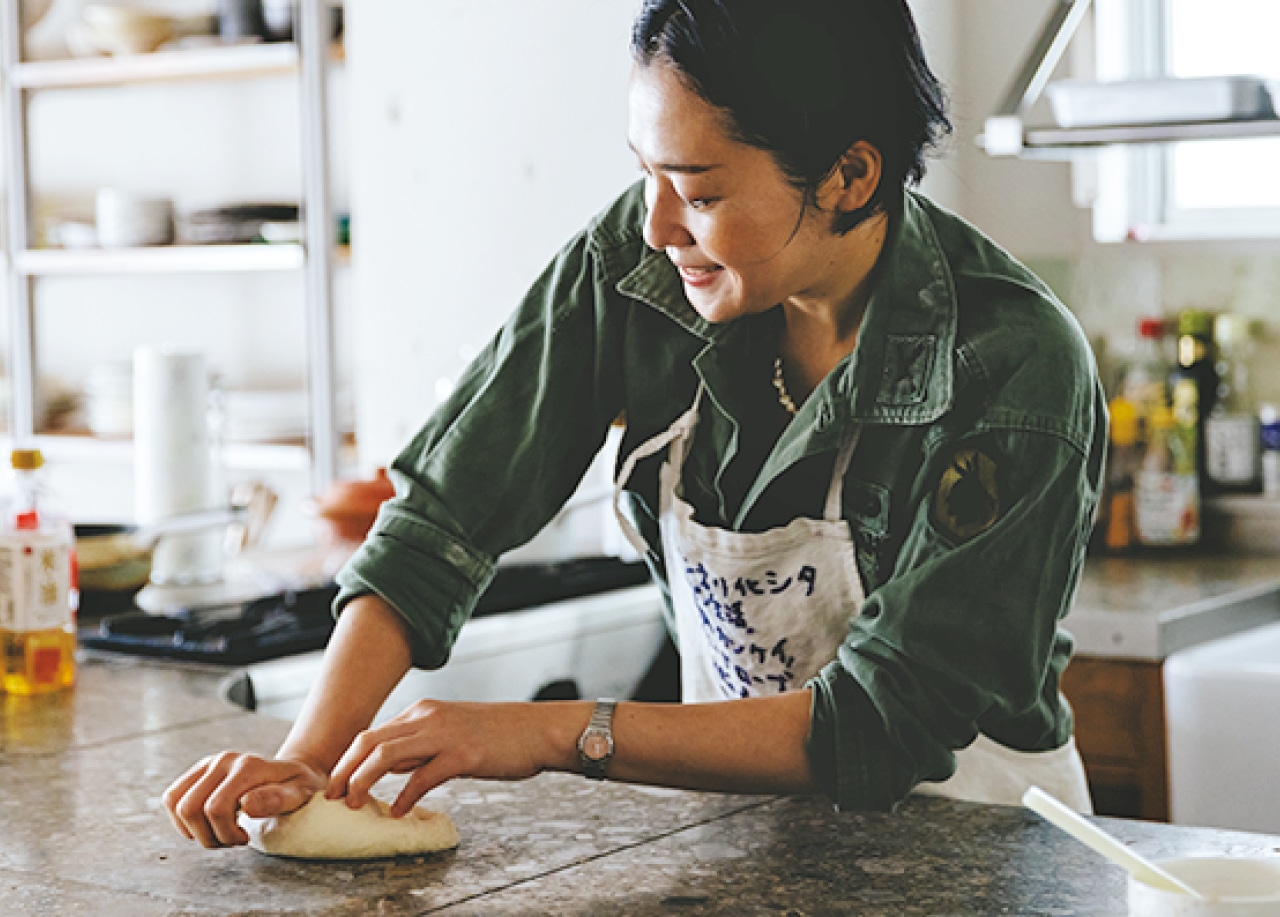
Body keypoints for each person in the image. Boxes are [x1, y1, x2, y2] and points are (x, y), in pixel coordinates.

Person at [165, 0, 1105, 849]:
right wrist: (309, 760)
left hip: (978, 852)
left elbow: (878, 720)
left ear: (850, 174)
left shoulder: (1014, 366)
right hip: (743, 841)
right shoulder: (643, 265)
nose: (655, 225)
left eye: (699, 191)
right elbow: (445, 517)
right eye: (644, 173)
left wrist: (550, 733)